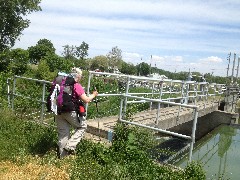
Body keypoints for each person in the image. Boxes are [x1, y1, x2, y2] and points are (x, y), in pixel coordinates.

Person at [55, 67, 98, 158]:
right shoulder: (76, 85)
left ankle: (63, 158)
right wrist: (93, 95)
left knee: (63, 134)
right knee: (82, 127)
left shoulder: (61, 82)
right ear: (78, 76)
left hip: (58, 110)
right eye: (81, 76)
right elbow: (86, 99)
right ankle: (70, 146)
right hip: (70, 111)